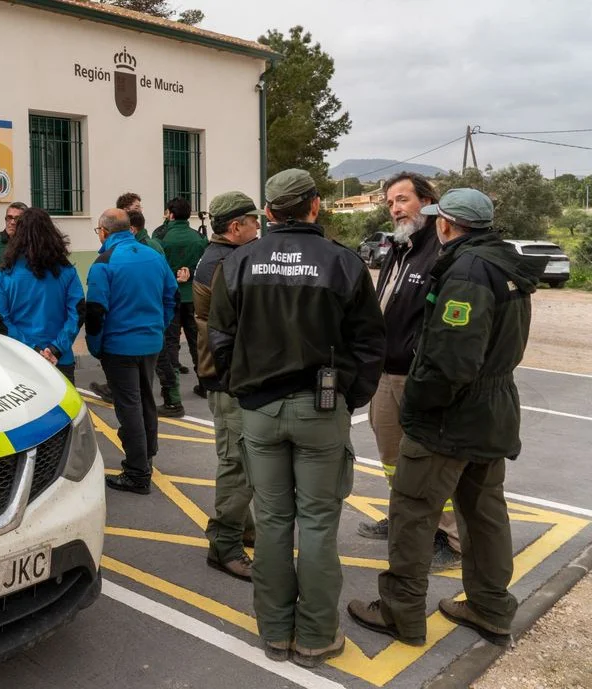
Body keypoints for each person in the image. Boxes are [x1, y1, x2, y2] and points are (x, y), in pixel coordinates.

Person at [348, 189, 542, 649]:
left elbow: (453, 360)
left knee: (413, 513)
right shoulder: (503, 263)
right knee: (484, 514)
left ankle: (401, 613)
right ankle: (490, 607)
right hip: (493, 411)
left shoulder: (469, 272)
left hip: (451, 417)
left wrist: (419, 402)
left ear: (447, 224)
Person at [208, 169, 385, 667]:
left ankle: (275, 634)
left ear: (268, 213)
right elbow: (370, 342)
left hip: (259, 411)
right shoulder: (344, 262)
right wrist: (349, 398)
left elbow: (219, 338)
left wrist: (243, 387)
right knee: (317, 524)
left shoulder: (241, 261)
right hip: (320, 409)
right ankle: (315, 636)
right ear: (316, 206)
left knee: (272, 522)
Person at [355, 172, 461, 571]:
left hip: (416, 376)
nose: (396, 208)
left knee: (428, 462)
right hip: (386, 371)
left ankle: (449, 538)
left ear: (428, 202)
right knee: (391, 457)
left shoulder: (441, 248)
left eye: (403, 200)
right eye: (390, 203)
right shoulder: (401, 245)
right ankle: (404, 518)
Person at [87, 208, 178, 495]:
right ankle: (147, 454)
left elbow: (96, 311)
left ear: (103, 231)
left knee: (129, 407)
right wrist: (158, 327)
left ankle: (138, 473)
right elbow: (171, 295)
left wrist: (96, 346)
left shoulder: (104, 262)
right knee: (146, 400)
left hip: (119, 346)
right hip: (150, 342)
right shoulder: (154, 256)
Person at [195, 191, 262, 581]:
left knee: (238, 458)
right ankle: (225, 546)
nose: (258, 229)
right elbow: (238, 324)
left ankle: (244, 528)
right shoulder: (231, 263)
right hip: (230, 376)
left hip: (220, 374)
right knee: (237, 463)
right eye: (254, 223)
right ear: (235, 227)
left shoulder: (215, 255)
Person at [0, 208, 85, 383]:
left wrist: (34, 349)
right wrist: (55, 349)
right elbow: (77, 313)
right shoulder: (67, 271)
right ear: (51, 233)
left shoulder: (3, 273)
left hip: (20, 359)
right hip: (59, 358)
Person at [156, 197, 209, 417]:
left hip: (170, 295)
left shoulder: (161, 237)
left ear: (170, 214)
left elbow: (158, 265)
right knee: (197, 341)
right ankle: (204, 384)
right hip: (193, 296)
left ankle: (172, 393)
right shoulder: (199, 238)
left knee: (170, 343)